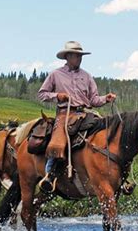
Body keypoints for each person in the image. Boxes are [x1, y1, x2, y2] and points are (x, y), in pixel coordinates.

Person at [37, 41, 117, 192]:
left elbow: (93, 100)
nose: (79, 58)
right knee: (58, 141)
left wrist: (105, 98)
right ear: (67, 56)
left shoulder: (87, 76)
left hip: (86, 113)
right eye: (76, 55)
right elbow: (41, 94)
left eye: (80, 56)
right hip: (65, 114)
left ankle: (113, 173)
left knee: (107, 133)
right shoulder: (55, 74)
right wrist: (57, 96)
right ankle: (50, 175)